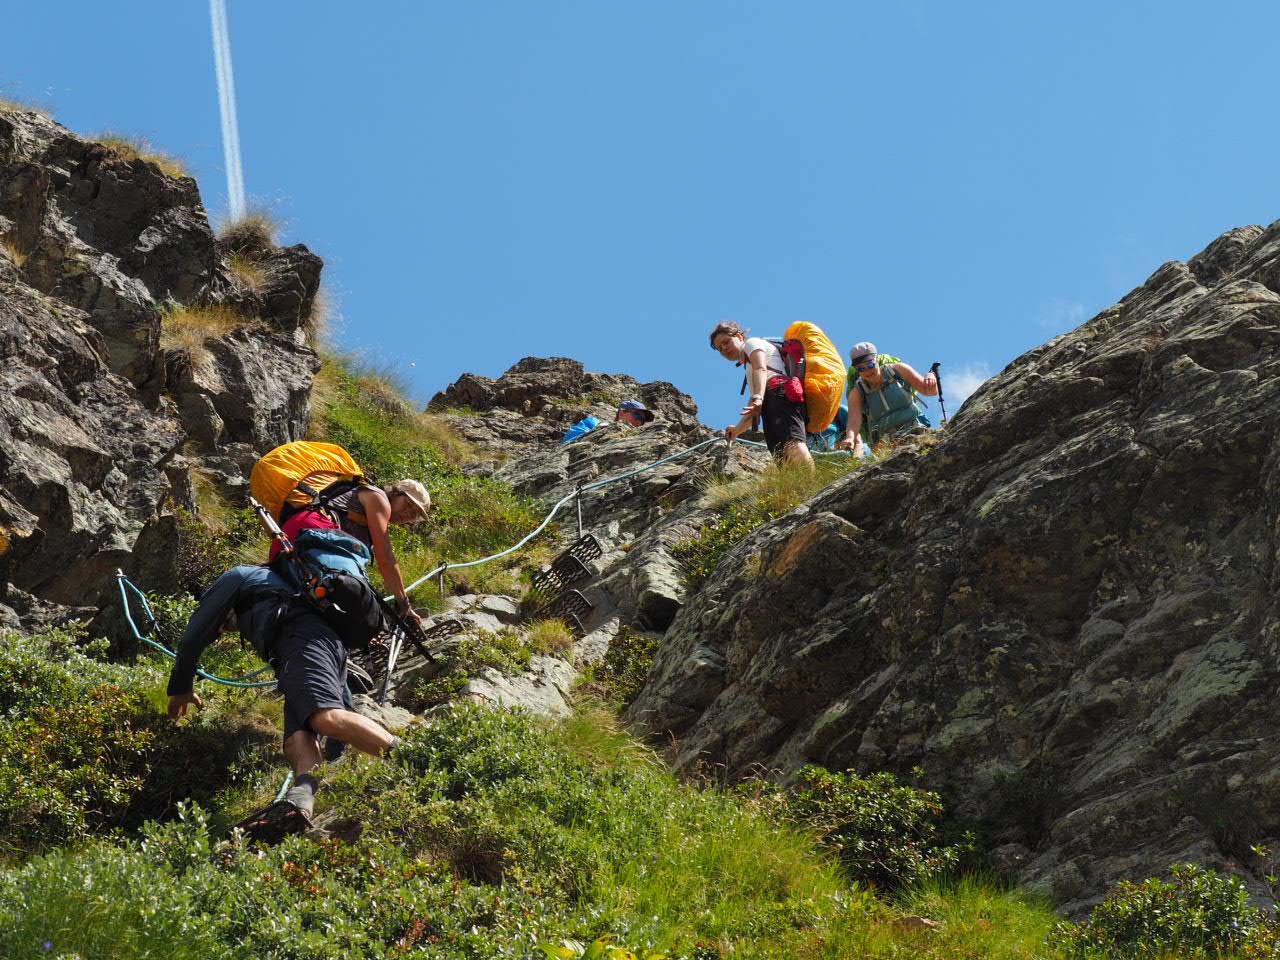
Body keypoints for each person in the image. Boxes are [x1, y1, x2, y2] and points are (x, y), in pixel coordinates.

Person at [166, 564, 399, 837]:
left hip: (300, 639)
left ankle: (413, 754)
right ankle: (299, 803)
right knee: (296, 741)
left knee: (324, 718)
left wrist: (181, 687)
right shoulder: (276, 588)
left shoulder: (238, 577)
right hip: (305, 648)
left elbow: (194, 634)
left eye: (224, 624)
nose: (224, 629)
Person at [272, 477, 431, 624]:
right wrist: (403, 603)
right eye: (408, 504)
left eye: (415, 514)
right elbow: (386, 559)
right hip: (313, 534)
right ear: (396, 493)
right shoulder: (378, 497)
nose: (408, 513)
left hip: (291, 540)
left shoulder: (370, 517)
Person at [709, 320, 814, 469]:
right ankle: (801, 483)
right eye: (720, 348)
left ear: (739, 336)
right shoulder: (748, 366)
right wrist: (737, 430)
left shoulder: (752, 343)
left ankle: (812, 480)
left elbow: (760, 368)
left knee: (793, 443)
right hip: (771, 401)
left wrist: (758, 398)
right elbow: (753, 405)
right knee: (781, 456)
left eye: (726, 342)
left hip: (780, 393)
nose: (724, 348)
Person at [836, 341, 938, 456]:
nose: (867, 371)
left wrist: (931, 376)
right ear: (856, 369)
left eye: (870, 365)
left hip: (916, 430)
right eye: (861, 369)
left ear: (877, 359)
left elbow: (930, 391)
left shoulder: (898, 370)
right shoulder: (857, 392)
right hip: (886, 444)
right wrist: (850, 438)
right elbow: (854, 421)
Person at [561, 399, 656, 443]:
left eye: (643, 420)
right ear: (622, 413)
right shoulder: (593, 423)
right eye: (637, 415)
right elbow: (567, 445)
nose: (640, 422)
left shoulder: (639, 441)